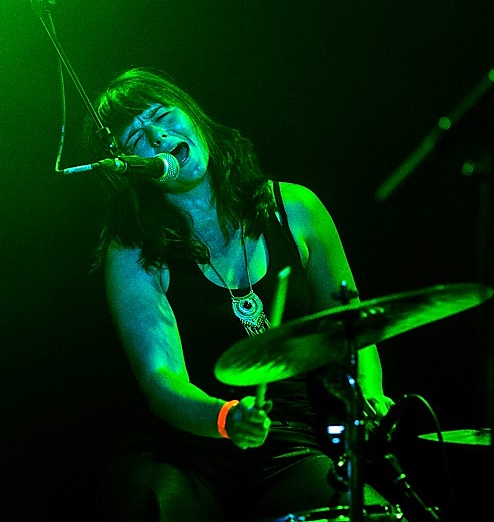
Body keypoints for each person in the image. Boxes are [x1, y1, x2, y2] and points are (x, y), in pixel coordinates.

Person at [86, 68, 399, 521]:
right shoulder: (132, 249)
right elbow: (160, 379)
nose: (157, 136)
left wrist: (371, 391)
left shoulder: (296, 208)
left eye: (163, 116)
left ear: (192, 115)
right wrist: (226, 417)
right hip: (186, 453)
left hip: (288, 446)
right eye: (136, 137)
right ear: (131, 168)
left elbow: (353, 324)